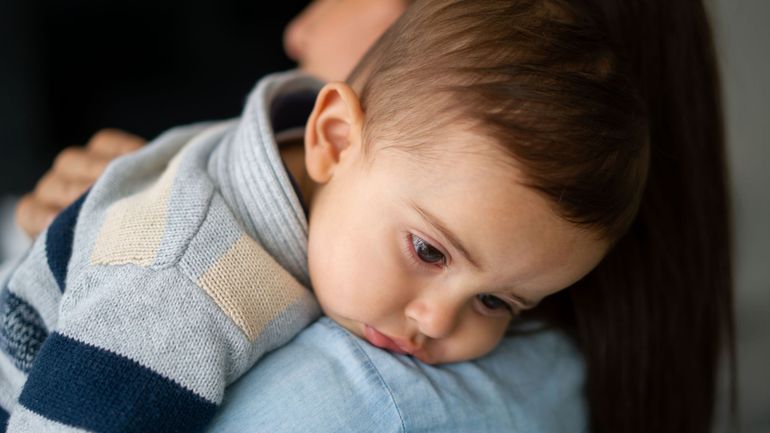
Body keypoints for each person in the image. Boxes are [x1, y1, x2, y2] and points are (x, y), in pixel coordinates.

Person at [7, 2, 735, 433]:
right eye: (427, 250)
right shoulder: (186, 279)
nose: (436, 322)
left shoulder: (357, 376)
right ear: (330, 138)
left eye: (496, 302)